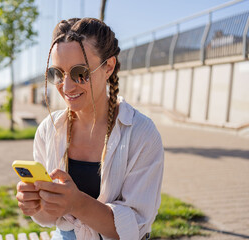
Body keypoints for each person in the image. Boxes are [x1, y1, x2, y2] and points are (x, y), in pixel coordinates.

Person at [16, 18, 164, 240]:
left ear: (109, 67)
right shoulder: (49, 129)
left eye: (79, 72)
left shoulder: (141, 133)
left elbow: (135, 229)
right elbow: (49, 220)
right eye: (57, 73)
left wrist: (77, 203)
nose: (66, 87)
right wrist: (36, 206)